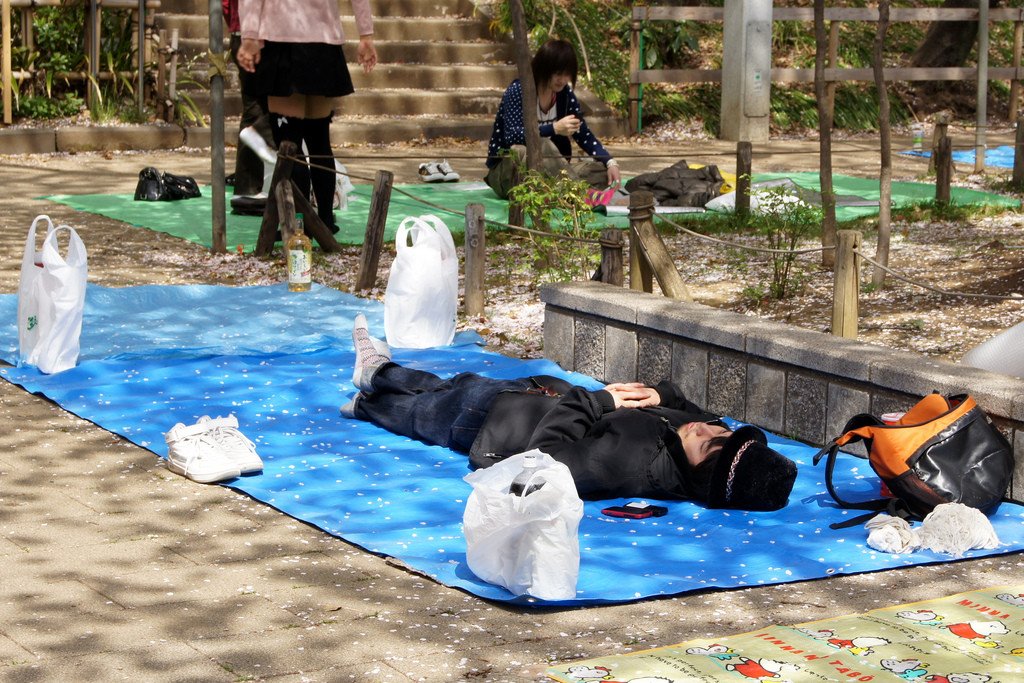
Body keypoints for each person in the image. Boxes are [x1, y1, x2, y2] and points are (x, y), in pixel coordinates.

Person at [341, 315, 798, 510]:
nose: (708, 429)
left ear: (699, 475)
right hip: (531, 396)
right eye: (726, 433)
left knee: (424, 412)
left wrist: (597, 401)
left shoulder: (623, 464)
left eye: (710, 444)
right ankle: (378, 373)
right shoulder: (692, 439)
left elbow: (544, 460)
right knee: (454, 384)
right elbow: (695, 413)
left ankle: (369, 395)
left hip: (494, 427)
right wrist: (661, 395)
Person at [236, 0, 377, 233]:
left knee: (290, 148)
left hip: (281, 40)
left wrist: (250, 37)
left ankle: (299, 227)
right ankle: (324, 222)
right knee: (319, 142)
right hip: (323, 42)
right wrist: (365, 35)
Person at [485, 39, 622, 200]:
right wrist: (554, 128)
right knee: (540, 144)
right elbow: (511, 136)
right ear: (544, 69)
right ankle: (578, 194)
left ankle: (564, 190)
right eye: (557, 74)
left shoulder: (565, 94)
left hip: (550, 172)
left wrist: (610, 162)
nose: (562, 80)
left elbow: (583, 134)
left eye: (566, 74)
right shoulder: (519, 90)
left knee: (600, 170)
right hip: (510, 173)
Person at [222, 0, 275, 213]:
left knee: (254, 109)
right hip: (259, 35)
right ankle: (248, 190)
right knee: (272, 107)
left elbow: (226, 5)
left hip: (246, 33)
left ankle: (247, 190)